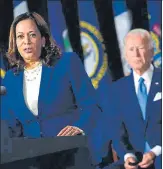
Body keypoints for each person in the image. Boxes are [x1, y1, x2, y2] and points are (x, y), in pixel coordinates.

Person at [1, 11, 102, 145]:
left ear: (43, 40)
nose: (26, 41)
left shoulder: (67, 63)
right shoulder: (10, 78)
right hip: (32, 157)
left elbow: (92, 106)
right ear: (15, 43)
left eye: (32, 35)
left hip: (70, 149)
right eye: (20, 36)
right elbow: (11, 125)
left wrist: (80, 127)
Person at [106, 29, 161, 169]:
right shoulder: (117, 89)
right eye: (131, 49)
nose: (136, 54)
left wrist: (155, 152)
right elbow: (117, 132)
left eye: (141, 48)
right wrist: (127, 155)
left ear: (152, 52)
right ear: (126, 55)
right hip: (135, 161)